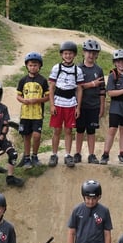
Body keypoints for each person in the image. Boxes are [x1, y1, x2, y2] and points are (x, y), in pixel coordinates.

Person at [47, 40, 84, 168]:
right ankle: (54, 154)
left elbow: (79, 89)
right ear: (62, 54)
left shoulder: (77, 70)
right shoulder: (56, 68)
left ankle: (68, 155)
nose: (68, 56)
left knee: (69, 130)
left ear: (74, 55)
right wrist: (52, 105)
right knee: (57, 130)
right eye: (66, 53)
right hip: (58, 102)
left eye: (70, 54)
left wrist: (78, 107)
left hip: (70, 103)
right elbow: (51, 87)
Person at [74, 38, 106, 164]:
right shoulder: (78, 68)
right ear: (83, 52)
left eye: (94, 53)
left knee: (91, 131)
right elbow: (77, 86)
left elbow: (102, 89)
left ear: (97, 54)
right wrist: (92, 84)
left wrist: (102, 106)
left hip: (94, 105)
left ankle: (91, 155)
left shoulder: (98, 70)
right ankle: (77, 153)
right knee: (80, 130)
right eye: (89, 52)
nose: (91, 55)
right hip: (80, 105)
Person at [15, 51, 48, 167]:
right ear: (27, 66)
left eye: (35, 65)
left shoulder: (43, 81)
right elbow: (18, 95)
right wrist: (23, 100)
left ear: (39, 66)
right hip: (25, 114)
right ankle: (27, 158)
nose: (33, 67)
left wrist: (37, 100)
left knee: (37, 135)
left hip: (37, 114)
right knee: (27, 136)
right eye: (30, 65)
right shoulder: (23, 80)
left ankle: (35, 156)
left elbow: (48, 97)